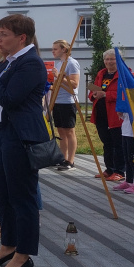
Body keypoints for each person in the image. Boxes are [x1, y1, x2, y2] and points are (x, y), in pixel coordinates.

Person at [0, 14, 48, 267]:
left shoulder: (30, 63)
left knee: (22, 197)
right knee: (3, 194)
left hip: (21, 137)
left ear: (21, 38)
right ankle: (8, 245)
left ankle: (23, 254)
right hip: (5, 134)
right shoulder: (9, 62)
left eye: (3, 34)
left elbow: (9, 98)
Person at [89, 49, 124, 182]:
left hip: (116, 115)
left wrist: (106, 95)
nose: (109, 62)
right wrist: (93, 94)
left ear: (118, 60)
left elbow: (124, 94)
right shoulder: (101, 73)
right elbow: (94, 89)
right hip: (101, 114)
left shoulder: (123, 74)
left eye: (112, 59)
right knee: (106, 143)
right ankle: (109, 169)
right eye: (107, 59)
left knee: (118, 144)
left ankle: (119, 170)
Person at [50, 40, 81, 171]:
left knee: (69, 131)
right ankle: (63, 158)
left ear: (63, 49)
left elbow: (74, 84)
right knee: (61, 131)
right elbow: (59, 83)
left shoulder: (72, 63)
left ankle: (71, 160)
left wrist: (59, 78)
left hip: (68, 101)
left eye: (55, 49)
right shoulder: (59, 63)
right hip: (58, 100)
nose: (53, 51)